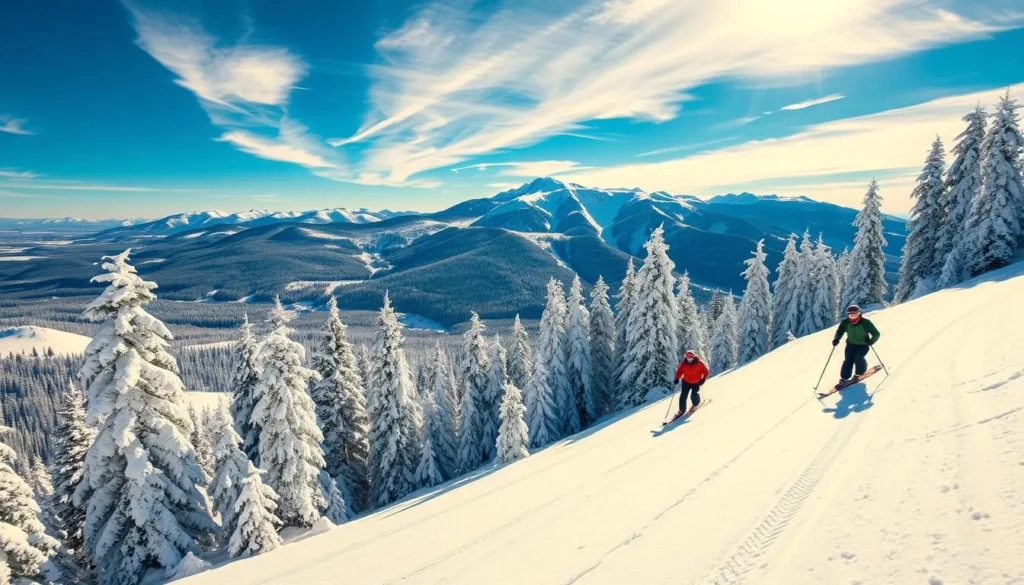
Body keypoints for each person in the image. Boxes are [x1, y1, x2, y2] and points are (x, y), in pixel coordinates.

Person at [832, 304, 881, 383]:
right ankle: (844, 378)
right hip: (851, 344)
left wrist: (871, 341)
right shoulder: (845, 323)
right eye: (850, 315)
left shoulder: (865, 323)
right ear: (847, 316)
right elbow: (839, 331)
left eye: (855, 315)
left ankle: (859, 374)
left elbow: (876, 334)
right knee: (848, 360)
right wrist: (836, 339)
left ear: (859, 314)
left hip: (863, 345)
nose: (853, 317)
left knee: (858, 357)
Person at [673, 349, 709, 414]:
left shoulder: (699, 363)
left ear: (694, 356)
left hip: (696, 382)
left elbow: (706, 372)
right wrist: (677, 378)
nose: (689, 358)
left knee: (694, 394)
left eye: (691, 357)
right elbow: (679, 371)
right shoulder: (683, 364)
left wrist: (703, 380)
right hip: (686, 382)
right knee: (683, 395)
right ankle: (682, 410)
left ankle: (695, 405)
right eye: (687, 356)